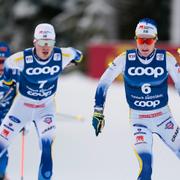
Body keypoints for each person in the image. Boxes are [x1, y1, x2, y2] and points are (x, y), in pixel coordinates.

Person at [92, 18, 180, 180]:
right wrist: (98, 111)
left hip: (164, 119)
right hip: (140, 121)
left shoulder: (166, 58)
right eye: (141, 40)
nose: (145, 45)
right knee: (146, 167)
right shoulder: (125, 58)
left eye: (149, 40)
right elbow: (103, 83)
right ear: (135, 40)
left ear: (155, 40)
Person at [0, 23, 83, 180]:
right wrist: (8, 80)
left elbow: (77, 54)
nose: (46, 47)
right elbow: (9, 63)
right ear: (34, 42)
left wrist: (74, 61)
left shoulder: (62, 55)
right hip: (22, 106)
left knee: (46, 148)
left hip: (45, 107)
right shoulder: (23, 58)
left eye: (50, 42)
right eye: (42, 42)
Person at [0, 42, 16, 180]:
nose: (1, 66)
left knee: (2, 151)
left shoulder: (15, 76)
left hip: (6, 120)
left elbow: (23, 97)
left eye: (4, 62)